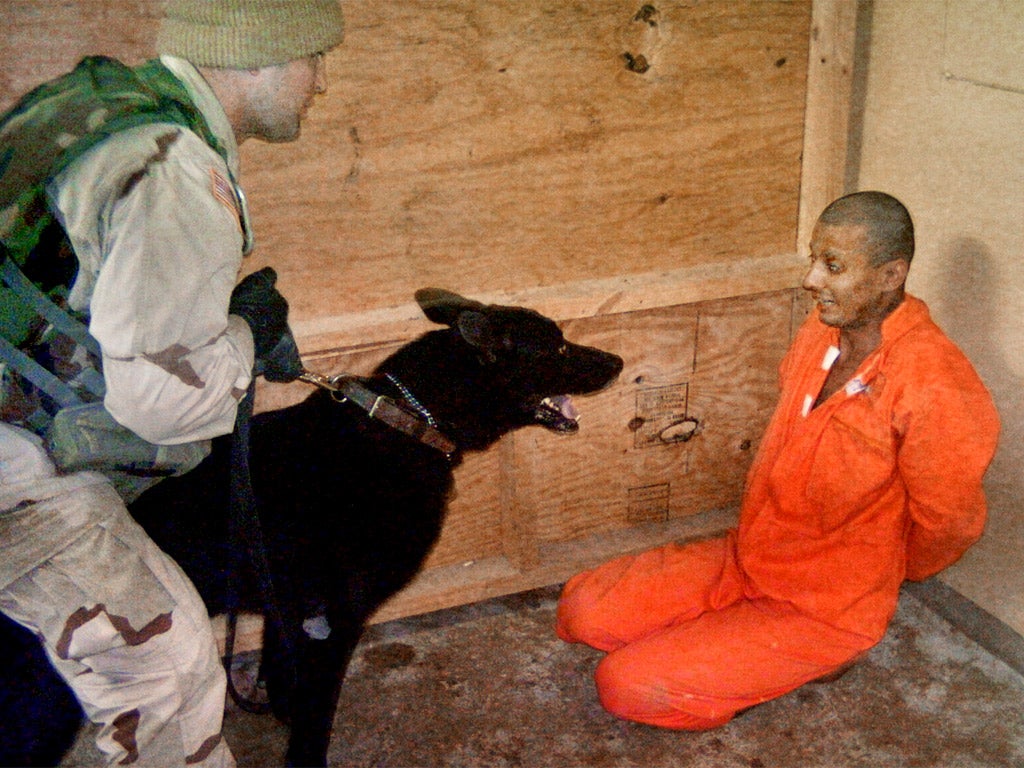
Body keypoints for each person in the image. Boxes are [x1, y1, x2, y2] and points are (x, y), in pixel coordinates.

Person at [0, 1, 345, 765]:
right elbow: (160, 403)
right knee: (169, 668)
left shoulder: (97, 106)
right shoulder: (173, 167)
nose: (322, 80)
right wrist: (247, 334)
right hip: (12, 460)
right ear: (258, 57)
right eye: (313, 56)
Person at [556, 191, 1000, 730]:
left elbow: (949, 523)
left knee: (624, 685)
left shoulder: (937, 382)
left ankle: (828, 651)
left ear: (890, 275)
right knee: (581, 609)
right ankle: (727, 633)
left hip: (824, 607)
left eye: (833, 266)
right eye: (815, 259)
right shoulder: (821, 331)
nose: (811, 279)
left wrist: (870, 579)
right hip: (750, 556)